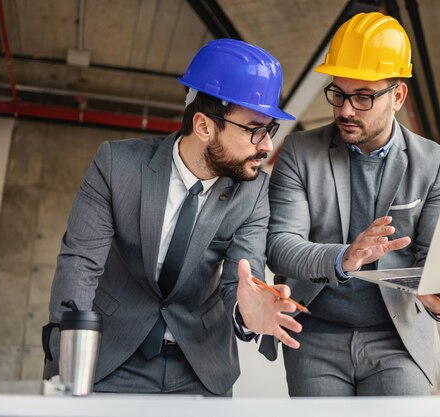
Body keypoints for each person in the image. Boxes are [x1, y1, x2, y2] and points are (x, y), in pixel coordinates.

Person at [259, 12, 440, 397]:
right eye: (338, 93)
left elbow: (436, 260)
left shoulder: (434, 162)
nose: (345, 109)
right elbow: (279, 246)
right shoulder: (299, 153)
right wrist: (344, 258)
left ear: (398, 97)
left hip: (399, 340)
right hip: (316, 337)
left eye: (363, 97)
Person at [43, 38, 303, 397]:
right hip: (111, 358)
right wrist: (68, 361)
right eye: (255, 129)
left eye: (269, 129)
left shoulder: (253, 190)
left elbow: (242, 280)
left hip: (198, 365)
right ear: (204, 126)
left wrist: (246, 313)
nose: (267, 145)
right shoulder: (117, 166)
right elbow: (79, 265)